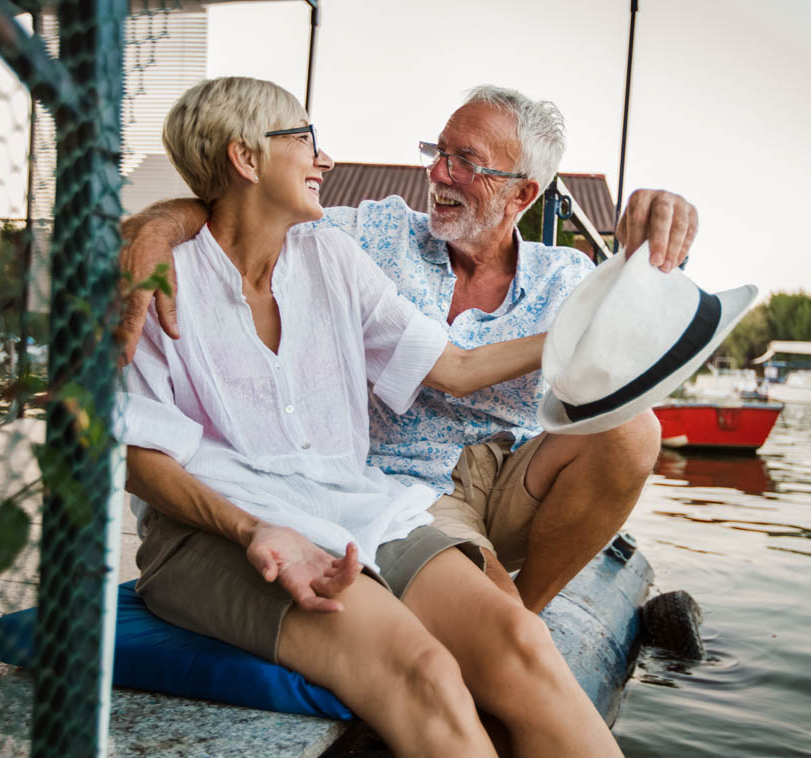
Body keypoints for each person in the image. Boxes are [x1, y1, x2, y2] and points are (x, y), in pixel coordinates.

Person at [125, 75, 625, 758]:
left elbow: (453, 367)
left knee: (524, 646)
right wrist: (255, 528)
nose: (323, 159)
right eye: (305, 141)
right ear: (246, 159)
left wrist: (587, 333)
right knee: (427, 674)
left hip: (359, 505)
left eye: (466, 160)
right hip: (214, 528)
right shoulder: (159, 283)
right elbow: (136, 455)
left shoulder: (331, 254)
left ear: (521, 193)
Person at [119, 84, 699, 613]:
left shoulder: (566, 277)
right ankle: (505, 628)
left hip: (518, 479)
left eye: (465, 162)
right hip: (405, 487)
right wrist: (160, 226)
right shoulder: (367, 235)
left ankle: (530, 612)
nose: (439, 174)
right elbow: (249, 207)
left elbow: (650, 331)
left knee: (635, 429)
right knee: (485, 610)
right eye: (437, 152)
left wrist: (655, 244)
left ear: (523, 192)